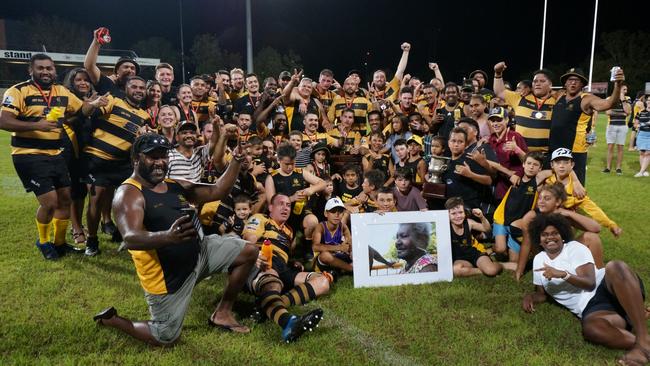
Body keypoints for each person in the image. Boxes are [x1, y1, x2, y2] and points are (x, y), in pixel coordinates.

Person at [93, 132, 258, 345]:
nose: (160, 162)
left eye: (164, 156)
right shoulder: (128, 193)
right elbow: (130, 237)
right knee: (166, 336)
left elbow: (218, 190)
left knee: (249, 251)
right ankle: (112, 320)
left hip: (200, 253)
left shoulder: (173, 184)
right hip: (169, 278)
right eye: (153, 157)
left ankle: (223, 313)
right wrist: (168, 237)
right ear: (136, 160)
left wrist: (235, 160)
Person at [0, 54, 104, 260]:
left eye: (49, 68)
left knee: (65, 199)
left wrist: (93, 103)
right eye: (40, 68)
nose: (45, 72)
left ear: (55, 71)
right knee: (49, 203)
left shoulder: (62, 91)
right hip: (29, 155)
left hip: (56, 154)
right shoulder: (18, 91)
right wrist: (36, 125)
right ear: (31, 70)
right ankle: (44, 241)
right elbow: (4, 121)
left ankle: (59, 243)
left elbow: (80, 109)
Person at [522, 213, 650, 366]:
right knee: (591, 329)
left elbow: (589, 282)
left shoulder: (574, 248)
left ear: (562, 235)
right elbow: (542, 294)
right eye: (545, 235)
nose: (550, 237)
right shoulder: (539, 259)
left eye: (554, 233)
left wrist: (563, 274)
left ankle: (642, 337)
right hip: (591, 307)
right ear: (539, 240)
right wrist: (530, 297)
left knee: (615, 266)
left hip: (608, 286)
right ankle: (641, 341)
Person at [243, 193, 328, 343]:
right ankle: (287, 321)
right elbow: (249, 239)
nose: (285, 208)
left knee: (322, 282)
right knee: (273, 283)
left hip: (283, 267)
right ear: (270, 207)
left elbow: (285, 254)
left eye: (288, 205)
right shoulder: (261, 218)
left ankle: (267, 305)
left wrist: (292, 261)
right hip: (263, 260)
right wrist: (255, 254)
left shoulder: (289, 231)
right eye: (280, 204)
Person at [83, 76, 152, 255]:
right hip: (98, 160)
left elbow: (139, 144)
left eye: (142, 88)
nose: (138, 90)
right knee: (95, 201)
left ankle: (127, 235)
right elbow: (88, 112)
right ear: (126, 89)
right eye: (134, 87)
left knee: (130, 200)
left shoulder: (144, 116)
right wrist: (93, 104)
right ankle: (91, 240)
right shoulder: (114, 101)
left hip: (122, 164)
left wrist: (142, 138)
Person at [549, 67, 625, 184]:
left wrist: (617, 85)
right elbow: (542, 91)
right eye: (570, 79)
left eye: (577, 80)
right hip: (555, 147)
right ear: (565, 83)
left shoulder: (586, 99)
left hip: (575, 150)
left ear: (582, 84)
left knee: (575, 186)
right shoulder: (559, 96)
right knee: (554, 185)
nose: (573, 82)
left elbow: (609, 103)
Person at [515, 183, 603, 281]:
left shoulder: (565, 215)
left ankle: (600, 275)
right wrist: (519, 270)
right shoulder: (531, 216)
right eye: (540, 198)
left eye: (547, 199)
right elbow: (526, 244)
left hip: (566, 253)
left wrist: (569, 213)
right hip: (547, 258)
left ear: (558, 202)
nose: (541, 202)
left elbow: (596, 228)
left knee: (591, 237)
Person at [546, 148, 622, 238]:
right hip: (546, 217)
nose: (562, 166)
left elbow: (593, 209)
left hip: (565, 218)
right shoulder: (547, 180)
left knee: (570, 228)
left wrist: (610, 224)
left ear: (572, 165)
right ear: (552, 165)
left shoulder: (576, 190)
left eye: (566, 162)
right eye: (558, 162)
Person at [492, 152, 545, 264]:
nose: (531, 167)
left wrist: (575, 180)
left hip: (517, 225)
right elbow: (497, 166)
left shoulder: (537, 182)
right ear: (523, 164)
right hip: (502, 219)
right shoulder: (514, 177)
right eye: (529, 163)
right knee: (500, 249)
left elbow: (553, 170)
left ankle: (507, 243)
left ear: (540, 168)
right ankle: (494, 247)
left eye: (535, 165)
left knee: (514, 261)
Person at [494, 62, 556, 153]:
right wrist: (498, 74)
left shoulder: (557, 101)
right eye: (535, 81)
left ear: (550, 84)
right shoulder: (520, 97)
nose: (538, 84)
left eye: (542, 81)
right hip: (520, 153)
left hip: (546, 155)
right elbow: (500, 92)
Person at [446, 197, 504, 277]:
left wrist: (481, 217)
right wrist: (425, 213)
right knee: (455, 270)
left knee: (491, 271)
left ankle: (499, 266)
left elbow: (487, 229)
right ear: (447, 214)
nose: (458, 216)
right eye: (453, 213)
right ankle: (483, 270)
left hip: (474, 254)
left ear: (465, 212)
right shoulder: (445, 227)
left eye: (460, 212)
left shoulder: (469, 223)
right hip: (460, 259)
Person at [84, 28, 139, 99]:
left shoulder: (138, 92)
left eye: (133, 68)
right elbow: (89, 66)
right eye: (126, 67)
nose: (130, 70)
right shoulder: (107, 84)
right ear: (117, 71)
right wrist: (96, 42)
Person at [312, 197, 353, 274]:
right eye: (333, 211)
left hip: (339, 257)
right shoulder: (320, 226)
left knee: (354, 251)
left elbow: (349, 243)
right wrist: (339, 247)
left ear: (343, 214)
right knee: (325, 255)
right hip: (325, 260)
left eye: (340, 212)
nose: (337, 215)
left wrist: (350, 249)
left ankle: (340, 269)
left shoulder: (343, 227)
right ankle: (352, 269)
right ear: (326, 213)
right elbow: (315, 247)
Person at [603, 83, 631, 175]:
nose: (626, 91)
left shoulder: (627, 99)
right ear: (619, 89)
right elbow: (608, 112)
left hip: (622, 126)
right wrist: (622, 114)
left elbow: (628, 112)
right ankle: (608, 167)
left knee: (620, 147)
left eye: (626, 90)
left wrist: (623, 100)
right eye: (624, 90)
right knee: (610, 147)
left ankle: (618, 168)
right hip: (611, 125)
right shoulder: (610, 98)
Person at [633, 99, 650, 177]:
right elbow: (635, 124)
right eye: (648, 101)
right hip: (641, 134)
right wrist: (640, 125)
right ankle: (644, 170)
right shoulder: (640, 112)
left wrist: (642, 124)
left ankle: (641, 172)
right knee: (642, 153)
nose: (649, 102)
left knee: (648, 153)